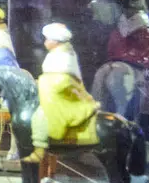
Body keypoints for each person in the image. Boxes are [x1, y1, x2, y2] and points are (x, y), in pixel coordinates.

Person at [25, 23, 99, 164]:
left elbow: (62, 80)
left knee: (40, 114)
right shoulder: (57, 53)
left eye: (48, 39)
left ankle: (40, 148)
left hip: (64, 94)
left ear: (56, 41)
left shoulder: (64, 55)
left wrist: (42, 83)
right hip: (55, 91)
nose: (45, 42)